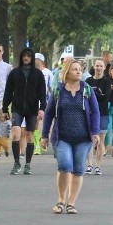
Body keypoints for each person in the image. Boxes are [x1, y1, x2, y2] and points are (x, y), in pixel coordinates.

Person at [41, 60, 100, 214]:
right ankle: (61, 200)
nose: (78, 72)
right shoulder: (58, 91)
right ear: (67, 72)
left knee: (79, 169)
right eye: (75, 69)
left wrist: (95, 132)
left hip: (83, 138)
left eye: (80, 69)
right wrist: (44, 135)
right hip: (62, 137)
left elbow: (95, 111)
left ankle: (71, 202)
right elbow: (48, 113)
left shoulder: (86, 90)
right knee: (65, 165)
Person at [1, 47, 46, 175]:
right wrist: (5, 109)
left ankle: (28, 164)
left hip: (32, 109)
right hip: (17, 108)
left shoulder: (37, 74)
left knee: (29, 135)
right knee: (15, 134)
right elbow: (8, 92)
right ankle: (16, 163)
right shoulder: (14, 73)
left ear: (32, 58)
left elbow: (42, 93)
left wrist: (42, 108)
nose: (26, 58)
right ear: (21, 58)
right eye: (24, 56)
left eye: (28, 56)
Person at [84, 59, 111, 174]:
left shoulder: (106, 81)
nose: (99, 68)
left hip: (102, 113)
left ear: (104, 68)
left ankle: (98, 166)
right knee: (89, 140)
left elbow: (106, 97)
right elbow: (85, 96)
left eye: (101, 66)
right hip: (89, 113)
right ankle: (89, 165)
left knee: (100, 141)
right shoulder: (88, 80)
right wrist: (98, 94)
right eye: (97, 66)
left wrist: (94, 95)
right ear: (94, 67)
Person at [33, 53, 53, 155]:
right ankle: (36, 145)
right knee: (35, 123)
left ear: (41, 61)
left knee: (45, 123)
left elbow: (51, 88)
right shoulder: (31, 72)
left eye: (36, 59)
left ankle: (44, 140)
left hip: (45, 101)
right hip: (34, 101)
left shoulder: (48, 73)